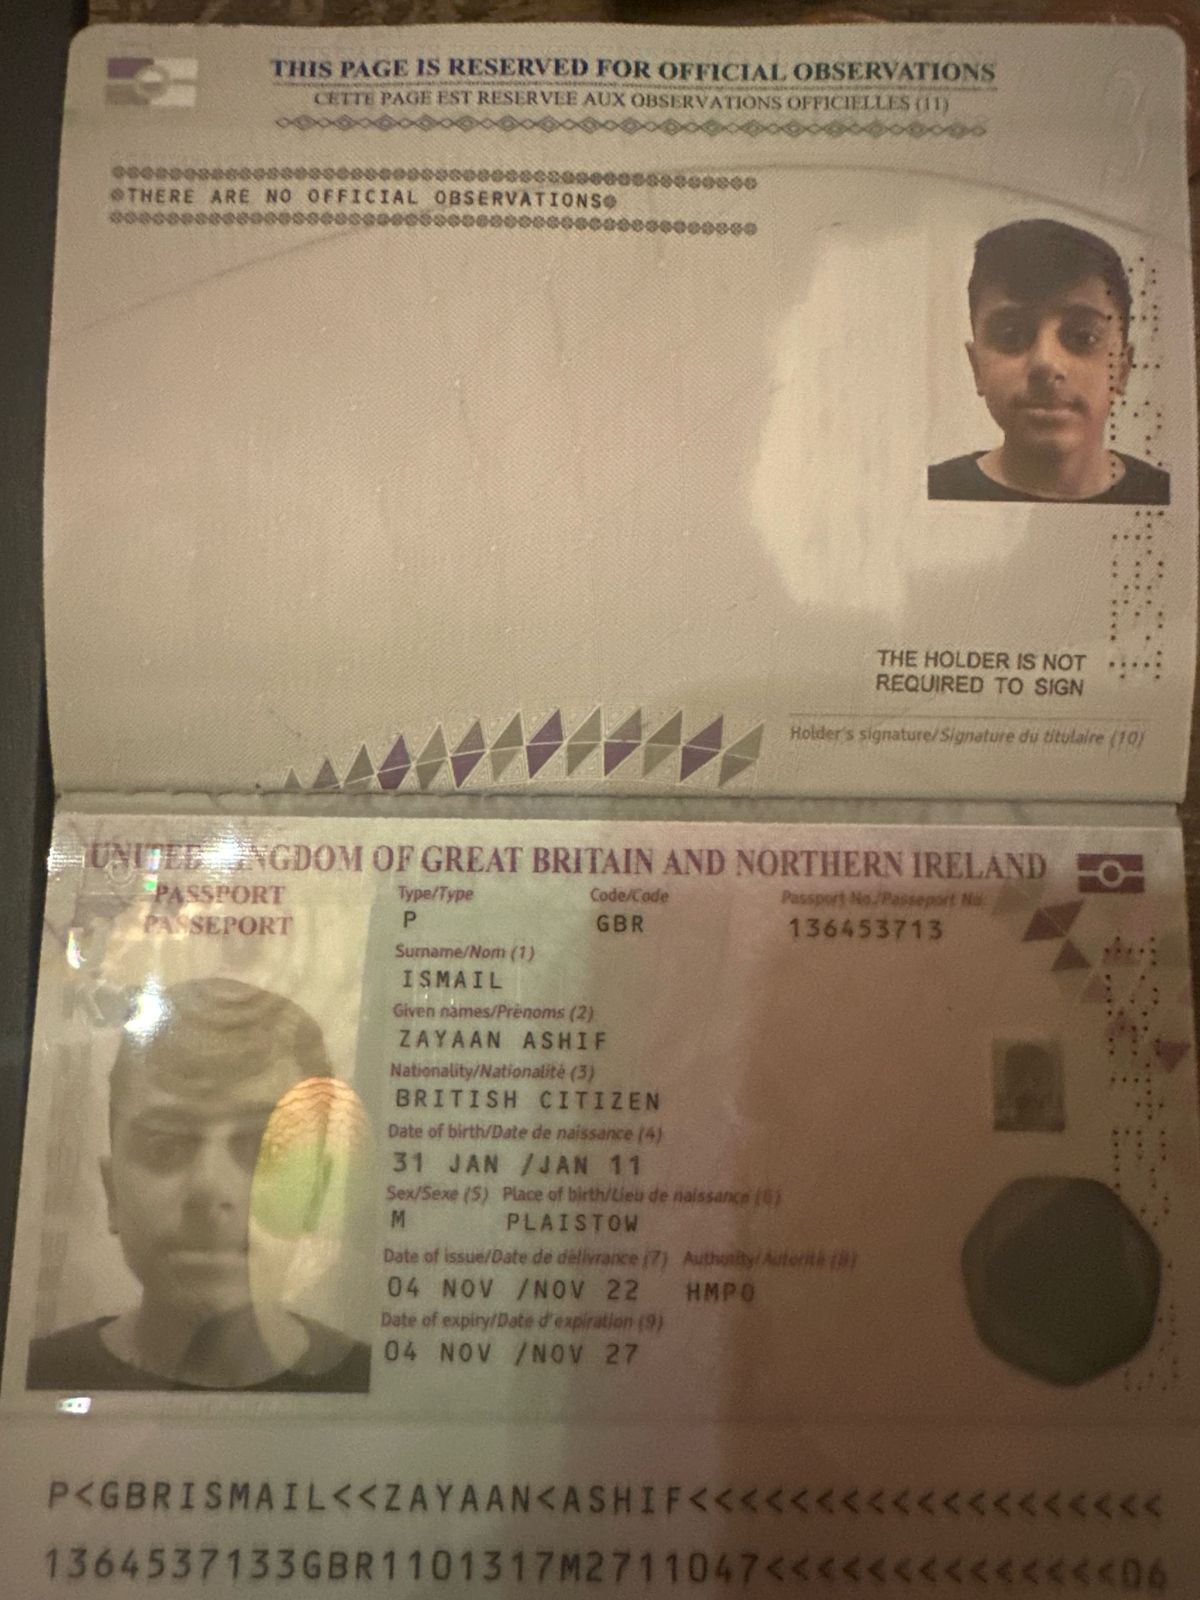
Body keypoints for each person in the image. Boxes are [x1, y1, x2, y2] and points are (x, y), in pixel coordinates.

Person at [26, 978, 371, 1393]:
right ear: (113, 1193)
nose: (210, 1188)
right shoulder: (40, 1374)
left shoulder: (371, 1381)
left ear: (315, 1193)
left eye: (264, 1148)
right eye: (165, 1148)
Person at [928, 218, 1170, 504]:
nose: (1046, 363)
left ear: (1122, 368)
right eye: (1011, 335)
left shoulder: (1163, 495)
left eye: (1084, 337)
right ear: (976, 366)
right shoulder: (936, 489)